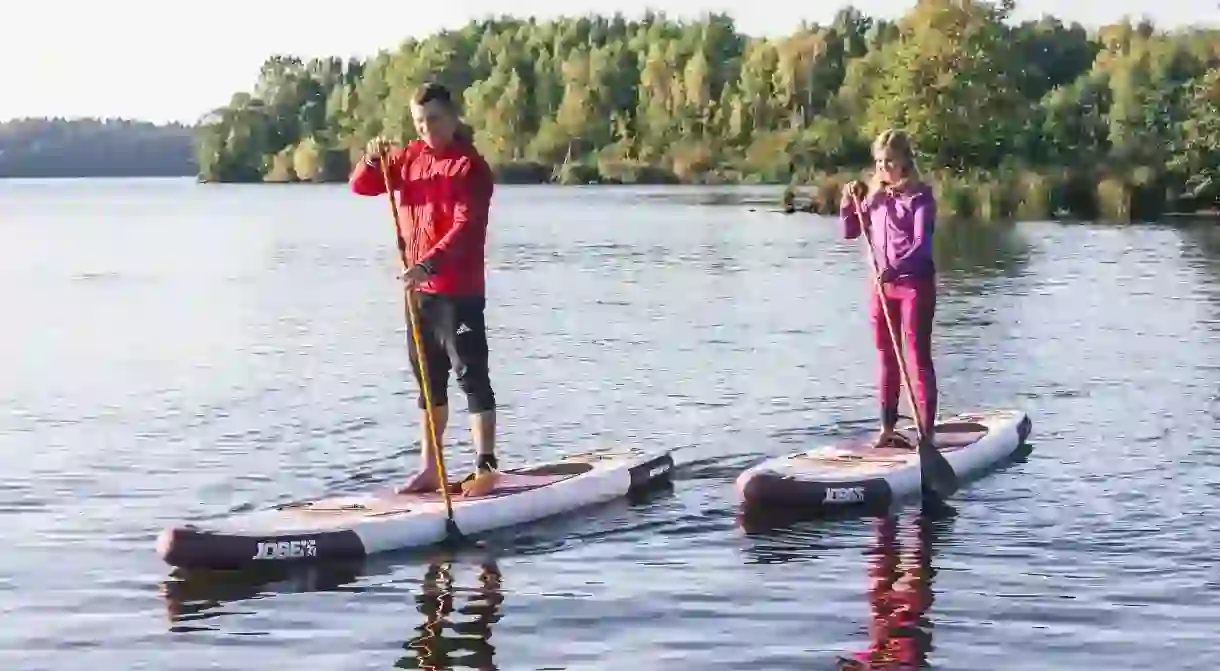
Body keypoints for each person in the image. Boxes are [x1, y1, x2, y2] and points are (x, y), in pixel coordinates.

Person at [349, 82, 498, 496]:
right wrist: (373, 159)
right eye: (419, 121)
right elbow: (361, 186)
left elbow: (466, 229)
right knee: (428, 383)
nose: (426, 128)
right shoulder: (410, 159)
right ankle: (432, 469)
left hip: (458, 290)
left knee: (471, 376)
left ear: (452, 118)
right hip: (418, 294)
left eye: (433, 119)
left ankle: (485, 465)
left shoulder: (471, 168)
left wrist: (429, 263)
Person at [839, 129, 938, 450]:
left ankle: (926, 436)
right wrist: (848, 203)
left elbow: (922, 247)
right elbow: (850, 232)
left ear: (905, 162)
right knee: (886, 357)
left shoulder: (921, 198)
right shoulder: (875, 196)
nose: (884, 169)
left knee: (917, 357)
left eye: (890, 162)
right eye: (879, 163)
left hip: (914, 285)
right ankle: (888, 429)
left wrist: (892, 269)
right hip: (882, 288)